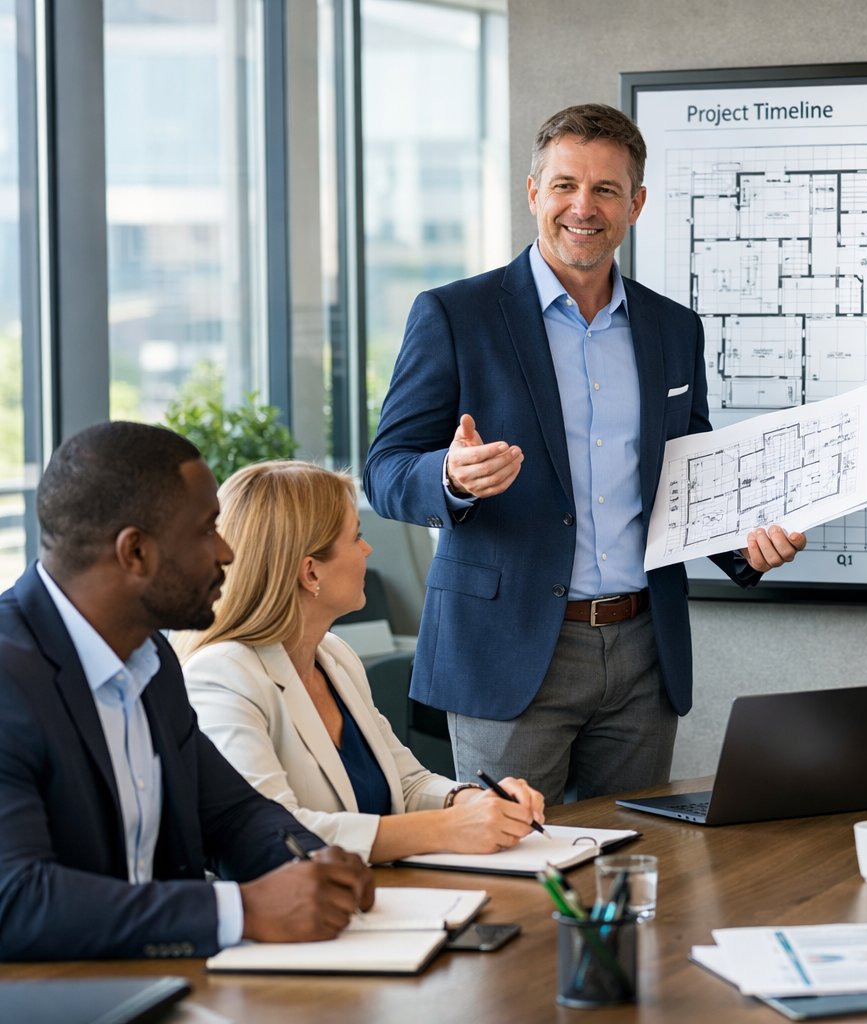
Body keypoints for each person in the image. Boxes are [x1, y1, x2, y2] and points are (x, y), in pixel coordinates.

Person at [363, 103, 805, 802]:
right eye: (565, 185)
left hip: (642, 651)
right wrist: (449, 476)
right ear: (534, 193)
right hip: (509, 650)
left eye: (605, 189)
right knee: (514, 864)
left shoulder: (672, 327)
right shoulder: (455, 315)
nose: (583, 207)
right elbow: (384, 472)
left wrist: (740, 548)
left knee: (630, 864)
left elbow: (685, 474)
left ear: (636, 203)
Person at [0, 422, 373, 961]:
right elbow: (16, 900)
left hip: (157, 981)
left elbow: (232, 814)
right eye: (206, 531)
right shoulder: (10, 676)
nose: (226, 552)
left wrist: (314, 863)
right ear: (136, 553)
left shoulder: (150, 660)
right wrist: (242, 910)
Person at [180, 461, 546, 864]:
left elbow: (406, 784)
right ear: (310, 572)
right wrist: (450, 828)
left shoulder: (334, 655)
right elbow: (271, 832)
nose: (368, 550)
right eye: (357, 537)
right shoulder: (222, 675)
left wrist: (473, 800)